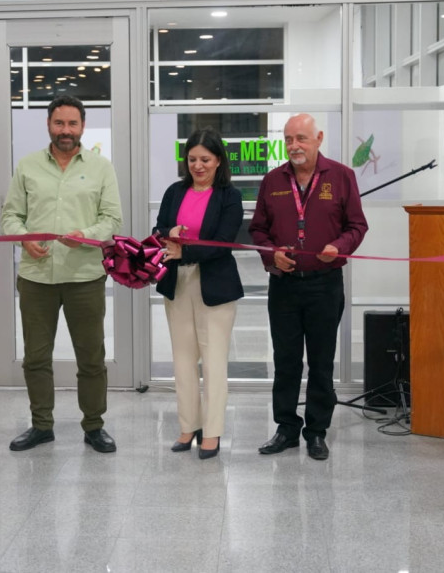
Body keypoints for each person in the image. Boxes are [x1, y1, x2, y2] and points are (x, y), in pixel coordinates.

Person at [1, 95, 123, 453]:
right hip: (37, 277)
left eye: (72, 124)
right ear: (49, 125)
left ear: (82, 127)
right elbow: (11, 216)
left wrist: (87, 236)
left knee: (91, 357)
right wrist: (24, 240)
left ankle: (94, 426)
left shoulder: (101, 167)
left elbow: (113, 221)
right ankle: (41, 425)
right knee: (36, 357)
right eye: (59, 123)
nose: (65, 131)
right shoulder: (27, 166)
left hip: (85, 275)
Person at [249, 113, 368, 461]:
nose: (294, 146)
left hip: (324, 286)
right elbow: (258, 230)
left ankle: (316, 431)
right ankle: (286, 428)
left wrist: (339, 247)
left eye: (301, 138)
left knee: (320, 363)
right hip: (284, 286)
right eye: (288, 140)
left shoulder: (342, 176)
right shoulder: (273, 180)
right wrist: (272, 255)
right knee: (285, 361)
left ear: (318, 138)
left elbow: (357, 225)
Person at [154, 129, 243, 460]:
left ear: (218, 160)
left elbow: (223, 243)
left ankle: (213, 432)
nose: (198, 165)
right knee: (183, 361)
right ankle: (188, 427)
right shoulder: (174, 191)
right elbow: (158, 230)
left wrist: (183, 252)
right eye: (192, 159)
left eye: (205, 159)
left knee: (214, 362)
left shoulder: (229, 196)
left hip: (215, 287)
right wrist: (168, 234)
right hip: (177, 285)